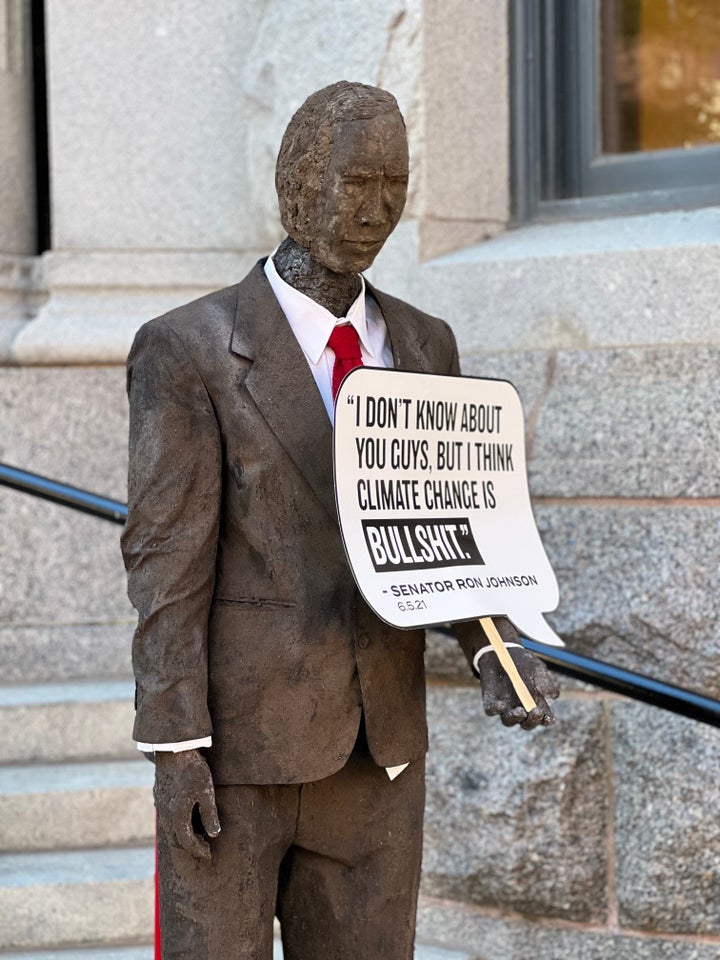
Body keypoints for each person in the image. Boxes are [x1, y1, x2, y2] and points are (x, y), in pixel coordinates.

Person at [121, 81, 559, 960]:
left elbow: (446, 528)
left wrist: (494, 646)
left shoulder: (426, 344)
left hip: (380, 764)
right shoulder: (189, 348)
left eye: (395, 181)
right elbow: (166, 564)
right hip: (237, 764)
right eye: (357, 180)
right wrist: (175, 749)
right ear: (297, 183)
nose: (378, 208)